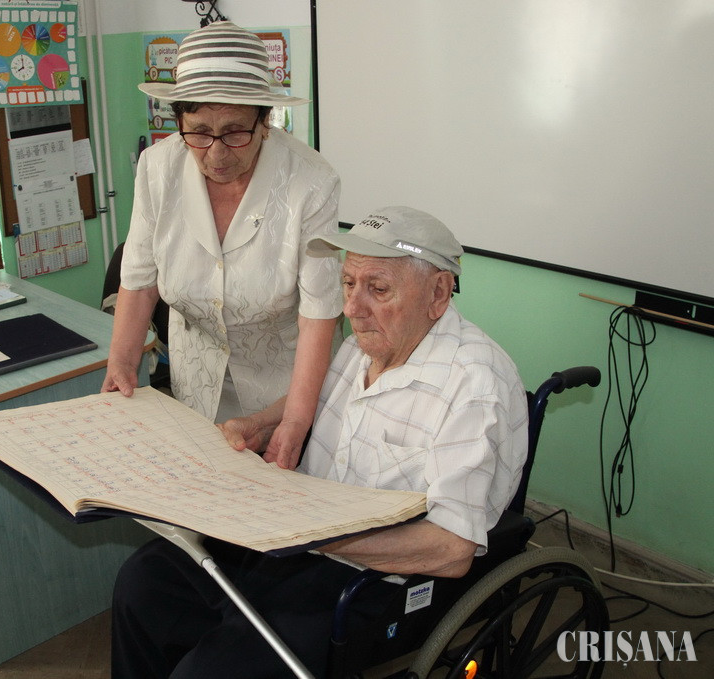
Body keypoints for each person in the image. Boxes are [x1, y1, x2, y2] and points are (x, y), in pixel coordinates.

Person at [110, 206, 530, 678]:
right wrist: (262, 424)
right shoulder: (364, 344)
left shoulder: (474, 385)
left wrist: (313, 534)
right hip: (300, 540)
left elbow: (451, 549)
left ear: (438, 292)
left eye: (378, 289)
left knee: (211, 671)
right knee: (144, 583)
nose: (352, 308)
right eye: (348, 284)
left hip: (376, 579)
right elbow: (318, 395)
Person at [102, 21, 343, 470]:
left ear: (265, 121)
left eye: (235, 132)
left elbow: (319, 312)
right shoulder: (157, 168)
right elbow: (139, 279)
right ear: (178, 121)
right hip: (196, 384)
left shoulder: (311, 182)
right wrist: (121, 364)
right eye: (198, 132)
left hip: (288, 390)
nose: (216, 154)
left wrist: (295, 420)